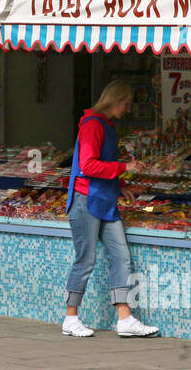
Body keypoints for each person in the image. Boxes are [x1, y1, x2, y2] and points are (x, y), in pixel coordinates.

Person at [62, 79, 160, 339]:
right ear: (114, 100)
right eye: (126, 104)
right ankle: (70, 317)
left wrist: (119, 186)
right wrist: (123, 168)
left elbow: (102, 165)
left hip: (104, 200)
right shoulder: (93, 126)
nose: (127, 110)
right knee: (85, 260)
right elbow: (89, 166)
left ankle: (124, 317)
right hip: (86, 201)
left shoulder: (105, 125)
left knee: (121, 257)